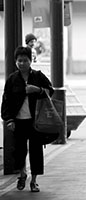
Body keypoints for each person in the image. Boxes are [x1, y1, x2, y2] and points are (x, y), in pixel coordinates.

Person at [1, 46, 54, 192]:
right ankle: (22, 174)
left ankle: (34, 180)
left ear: (31, 61)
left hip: (35, 121)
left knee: (36, 150)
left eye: (25, 60)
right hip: (18, 121)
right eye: (19, 61)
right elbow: (6, 101)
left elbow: (51, 91)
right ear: (15, 62)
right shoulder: (12, 79)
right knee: (19, 150)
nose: (22, 63)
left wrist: (37, 89)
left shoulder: (38, 76)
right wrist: (9, 120)